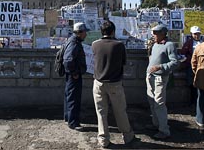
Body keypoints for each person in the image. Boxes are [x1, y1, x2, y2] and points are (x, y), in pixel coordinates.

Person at [91, 20, 135, 148]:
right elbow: (124, 62)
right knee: (120, 110)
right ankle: (127, 135)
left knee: (101, 112)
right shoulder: (119, 45)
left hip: (98, 82)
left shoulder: (95, 44)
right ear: (113, 31)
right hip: (115, 82)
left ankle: (103, 139)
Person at [145, 24, 179, 140]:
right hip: (150, 76)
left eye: (156, 33)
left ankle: (164, 130)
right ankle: (156, 124)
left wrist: (160, 67)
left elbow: (175, 62)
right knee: (151, 102)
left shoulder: (169, 45)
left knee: (159, 104)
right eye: (153, 33)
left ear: (163, 34)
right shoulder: (155, 44)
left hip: (160, 78)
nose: (154, 35)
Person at [63, 22, 88, 131]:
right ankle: (73, 122)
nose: (86, 35)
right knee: (74, 98)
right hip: (73, 76)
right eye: (85, 32)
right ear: (79, 33)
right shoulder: (74, 43)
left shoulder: (72, 41)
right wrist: (75, 73)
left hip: (72, 75)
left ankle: (68, 118)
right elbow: (68, 60)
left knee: (70, 96)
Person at [180, 26, 203, 105]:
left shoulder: (203, 42)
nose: (197, 36)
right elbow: (183, 53)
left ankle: (199, 100)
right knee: (191, 83)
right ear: (191, 34)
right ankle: (193, 100)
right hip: (191, 65)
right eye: (195, 34)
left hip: (201, 65)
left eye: (198, 34)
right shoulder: (188, 43)